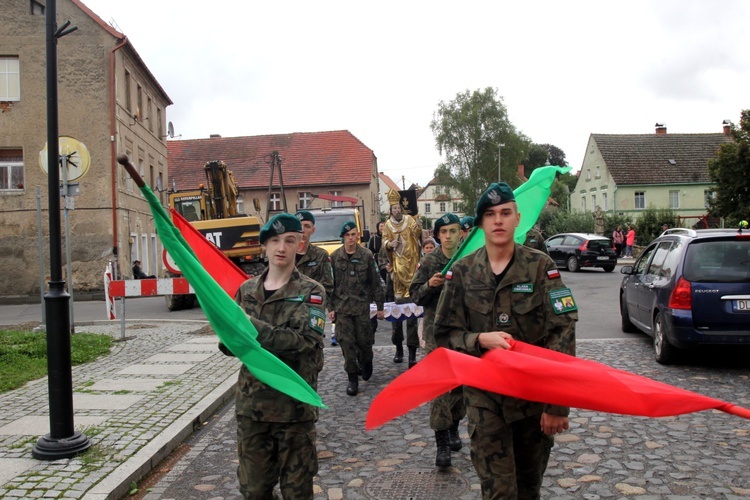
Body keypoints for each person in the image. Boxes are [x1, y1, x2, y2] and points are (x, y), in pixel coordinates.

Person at [434, 182, 578, 499]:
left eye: (505, 213)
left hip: (533, 397)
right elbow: (443, 335)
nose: (498, 220)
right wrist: (479, 339)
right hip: (485, 401)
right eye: (490, 214)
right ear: (481, 223)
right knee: (499, 491)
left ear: (517, 218)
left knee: (528, 489)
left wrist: (557, 405)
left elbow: (563, 333)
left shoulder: (542, 268)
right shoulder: (461, 273)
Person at [231, 213, 327, 499]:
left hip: (294, 409)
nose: (281, 247)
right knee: (254, 491)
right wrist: (226, 333)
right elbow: (233, 346)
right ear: (264, 246)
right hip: (253, 408)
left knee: (297, 492)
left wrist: (252, 329)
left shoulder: (312, 292)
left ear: (300, 244)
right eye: (274, 240)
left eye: (289, 240)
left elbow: (304, 341)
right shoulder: (246, 291)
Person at [409, 213, 465, 468]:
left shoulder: (469, 259)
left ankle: (454, 424)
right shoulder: (430, 261)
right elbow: (415, 296)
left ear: (460, 233)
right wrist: (430, 285)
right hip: (436, 336)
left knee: (461, 390)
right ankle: (442, 442)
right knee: (439, 390)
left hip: (465, 336)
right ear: (438, 234)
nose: (449, 236)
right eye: (444, 232)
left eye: (454, 231)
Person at [330, 221, 385, 396]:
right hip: (342, 308)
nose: (351, 238)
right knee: (346, 343)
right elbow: (330, 284)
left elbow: (375, 282)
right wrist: (330, 307)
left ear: (358, 235)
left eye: (353, 234)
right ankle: (352, 378)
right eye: (347, 235)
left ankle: (367, 361)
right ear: (343, 237)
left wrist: (380, 307)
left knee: (364, 342)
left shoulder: (367, 255)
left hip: (362, 307)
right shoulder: (335, 257)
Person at [382, 189, 422, 367]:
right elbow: (384, 244)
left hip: (411, 266)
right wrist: (389, 244)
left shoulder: (409, 220)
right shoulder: (388, 225)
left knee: (412, 316)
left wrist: (418, 227)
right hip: (396, 271)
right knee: (397, 316)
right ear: (390, 209)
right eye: (393, 208)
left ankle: (412, 351)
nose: (397, 210)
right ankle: (398, 346)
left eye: (398, 207)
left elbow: (418, 235)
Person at [294, 210, 335, 342]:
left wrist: (327, 309)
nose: (303, 230)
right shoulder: (285, 253)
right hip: (288, 314)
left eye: (307, 226)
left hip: (312, 313)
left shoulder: (320, 255)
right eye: (299, 226)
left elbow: (327, 286)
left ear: (313, 230)